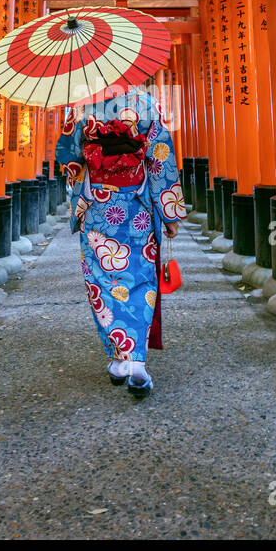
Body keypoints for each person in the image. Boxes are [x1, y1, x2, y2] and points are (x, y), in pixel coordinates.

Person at [56, 84, 186, 397]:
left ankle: (119, 357)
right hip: (137, 205)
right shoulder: (146, 101)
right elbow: (160, 158)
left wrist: (90, 165)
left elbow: (67, 159)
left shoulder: (78, 106)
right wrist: (169, 212)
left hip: (97, 206)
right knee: (140, 278)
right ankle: (137, 363)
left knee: (101, 280)